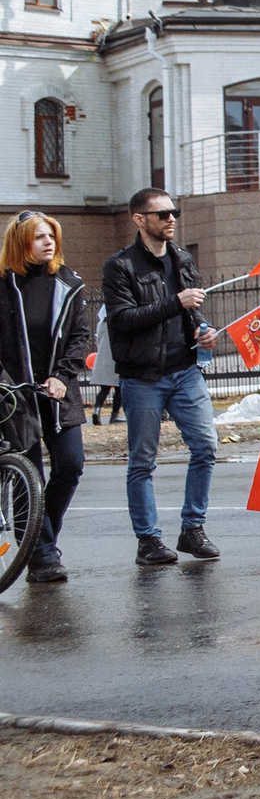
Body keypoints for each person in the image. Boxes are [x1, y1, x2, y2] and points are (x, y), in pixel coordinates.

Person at [100, 187, 221, 567]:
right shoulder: (120, 266)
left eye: (174, 213)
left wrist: (204, 329)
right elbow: (122, 320)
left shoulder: (182, 260)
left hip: (185, 370)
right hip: (143, 377)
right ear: (139, 220)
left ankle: (193, 528)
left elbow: (192, 312)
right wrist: (176, 302)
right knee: (142, 461)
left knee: (206, 447)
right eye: (162, 214)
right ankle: (148, 541)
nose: (171, 219)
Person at [2, 212, 92, 585]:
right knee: (30, 474)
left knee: (70, 464)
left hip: (58, 392)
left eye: (51, 236)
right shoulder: (4, 286)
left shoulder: (68, 283)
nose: (49, 242)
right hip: (13, 395)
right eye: (39, 237)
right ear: (21, 242)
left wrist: (62, 376)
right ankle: (41, 556)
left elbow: (80, 336)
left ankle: (42, 536)